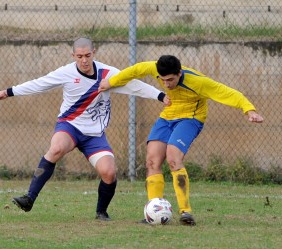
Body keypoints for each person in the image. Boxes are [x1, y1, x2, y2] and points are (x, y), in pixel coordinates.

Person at [0, 38, 169, 221]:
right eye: (79, 56)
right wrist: (7, 92)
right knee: (56, 148)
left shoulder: (107, 73)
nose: (84, 60)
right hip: (70, 125)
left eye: (87, 55)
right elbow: (39, 83)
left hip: (94, 134)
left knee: (109, 172)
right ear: (73, 55)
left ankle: (101, 212)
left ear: (94, 52)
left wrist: (161, 96)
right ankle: (29, 198)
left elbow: (134, 85)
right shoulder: (65, 72)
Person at [98, 55, 264, 225]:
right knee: (152, 161)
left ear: (179, 73)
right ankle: (154, 211)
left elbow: (228, 93)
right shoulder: (154, 68)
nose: (167, 84)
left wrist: (249, 110)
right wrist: (111, 82)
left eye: (170, 80)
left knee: (173, 158)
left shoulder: (197, 82)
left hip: (190, 119)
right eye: (163, 80)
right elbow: (135, 70)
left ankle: (185, 212)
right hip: (167, 117)